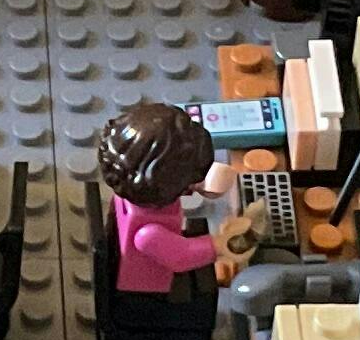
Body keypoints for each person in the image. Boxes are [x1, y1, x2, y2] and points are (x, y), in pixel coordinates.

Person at [95, 100, 260, 294]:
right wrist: (219, 245)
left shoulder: (130, 195)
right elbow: (181, 257)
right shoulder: (148, 234)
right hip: (146, 292)